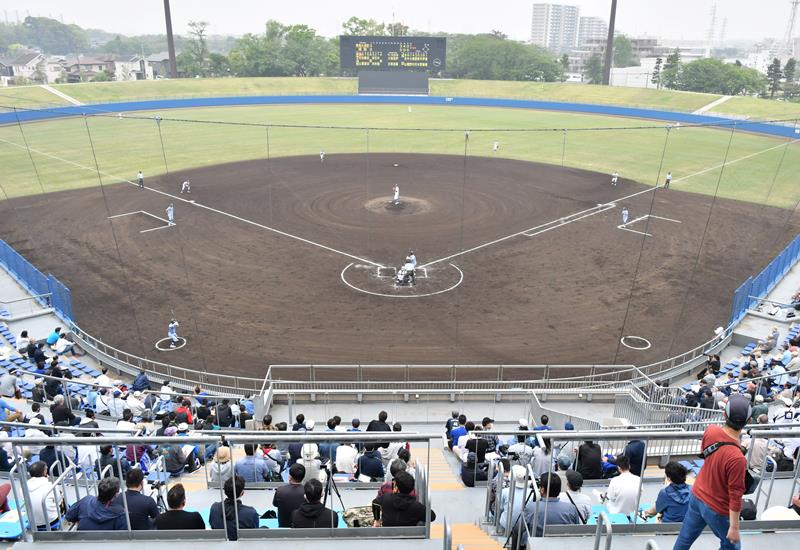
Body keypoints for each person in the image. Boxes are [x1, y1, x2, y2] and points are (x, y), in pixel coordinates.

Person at [673, 394, 751, 550]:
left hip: (697, 495)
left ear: (724, 414)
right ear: (748, 421)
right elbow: (735, 495)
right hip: (717, 508)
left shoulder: (711, 431)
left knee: (685, 538)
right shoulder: (737, 458)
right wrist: (734, 528)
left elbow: (706, 454)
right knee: (732, 547)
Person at [521, 472, 580, 544]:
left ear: (542, 489)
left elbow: (520, 528)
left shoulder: (531, 507)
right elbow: (576, 530)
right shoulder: (571, 509)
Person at [209, 475, 260, 540]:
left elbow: (212, 525)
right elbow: (255, 533)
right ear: (242, 493)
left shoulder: (214, 508)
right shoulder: (251, 513)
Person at [28, 461, 62, 531]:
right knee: (61, 495)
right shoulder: (50, 486)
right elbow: (58, 500)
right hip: (51, 520)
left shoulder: (23, 487)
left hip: (33, 522)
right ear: (44, 472)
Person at [274, 463, 306, 528]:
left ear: (290, 477)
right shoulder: (307, 492)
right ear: (303, 476)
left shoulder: (280, 490)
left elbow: (275, 504)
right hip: (301, 527)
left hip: (283, 526)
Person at [498, 465, 527, 534]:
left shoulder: (505, 491)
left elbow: (500, 507)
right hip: (523, 527)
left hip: (506, 525)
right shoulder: (531, 493)